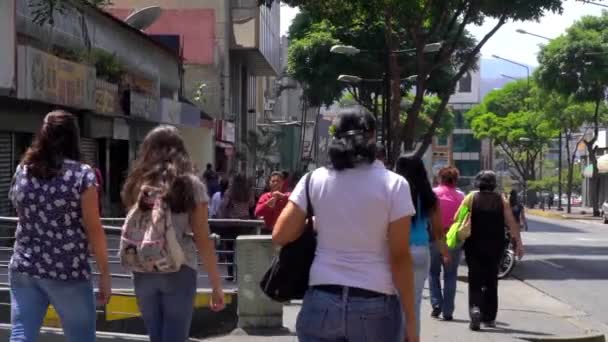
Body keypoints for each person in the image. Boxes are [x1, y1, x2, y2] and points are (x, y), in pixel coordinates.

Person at [273, 110, 419, 342]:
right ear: (373, 136)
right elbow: (400, 257)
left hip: (321, 299)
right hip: (375, 301)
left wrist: (316, 221)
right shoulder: (395, 185)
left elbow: (280, 234)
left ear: (336, 137)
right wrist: (411, 321)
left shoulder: (314, 179)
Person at [8, 110, 111, 342]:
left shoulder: (23, 171)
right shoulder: (82, 175)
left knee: (21, 334)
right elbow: (93, 227)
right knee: (81, 336)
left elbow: (20, 210)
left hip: (25, 267)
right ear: (74, 137)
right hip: (68, 271)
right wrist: (105, 272)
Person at [121, 126, 225, 342]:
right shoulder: (191, 185)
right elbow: (203, 239)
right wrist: (216, 285)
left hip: (143, 268)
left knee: (155, 337)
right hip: (180, 268)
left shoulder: (136, 184)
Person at [395, 154, 448, 337]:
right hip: (420, 251)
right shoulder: (429, 197)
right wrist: (444, 252)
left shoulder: (393, 191)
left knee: (394, 303)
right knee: (414, 304)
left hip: (397, 251)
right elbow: (438, 230)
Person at [465, 171, 524, 331]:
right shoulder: (501, 199)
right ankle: (489, 317)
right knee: (491, 279)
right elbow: (511, 222)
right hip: (495, 246)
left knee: (475, 279)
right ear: (493, 184)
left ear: (479, 183)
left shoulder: (471, 198)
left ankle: (475, 309)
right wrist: (518, 243)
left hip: (473, 245)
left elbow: (459, 219)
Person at [430, 166, 465, 321]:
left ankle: (437, 303)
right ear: (455, 180)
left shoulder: (433, 193)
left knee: (433, 272)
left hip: (434, 238)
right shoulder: (461, 196)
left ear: (440, 178)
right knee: (451, 275)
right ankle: (448, 311)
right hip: (453, 239)